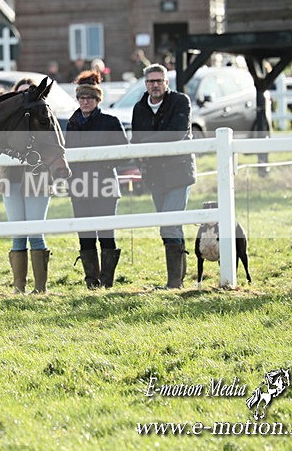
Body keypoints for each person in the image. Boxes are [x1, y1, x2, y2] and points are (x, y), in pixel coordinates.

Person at [131, 63, 196, 288]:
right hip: (155, 175)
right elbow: (135, 140)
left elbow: (176, 133)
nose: (155, 85)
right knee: (168, 224)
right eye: (151, 81)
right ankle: (177, 278)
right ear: (145, 84)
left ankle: (174, 283)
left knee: (169, 223)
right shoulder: (139, 107)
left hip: (179, 172)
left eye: (159, 81)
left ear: (166, 82)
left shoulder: (180, 101)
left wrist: (146, 145)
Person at [66, 70, 129, 289]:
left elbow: (125, 153)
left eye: (89, 98)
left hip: (104, 185)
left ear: (97, 99)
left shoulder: (110, 122)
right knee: (85, 235)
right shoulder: (72, 123)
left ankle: (107, 281)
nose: (85, 102)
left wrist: (102, 165)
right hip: (79, 186)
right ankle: (91, 281)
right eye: (81, 98)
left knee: (105, 233)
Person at [0, 78, 53, 294]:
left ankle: (40, 288)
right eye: (21, 93)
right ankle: (18, 287)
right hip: (10, 179)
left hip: (36, 180)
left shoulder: (40, 118)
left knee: (36, 232)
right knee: (17, 232)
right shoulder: (9, 121)